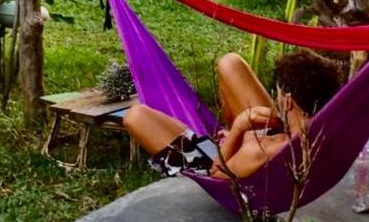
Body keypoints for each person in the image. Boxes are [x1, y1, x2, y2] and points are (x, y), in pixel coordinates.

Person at [123, 49, 342, 180]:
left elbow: (216, 175)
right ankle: (227, 134)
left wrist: (238, 128)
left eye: (278, 94)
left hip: (213, 166)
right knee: (230, 63)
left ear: (287, 100)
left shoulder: (262, 151)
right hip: (276, 135)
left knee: (135, 115)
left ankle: (226, 134)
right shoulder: (327, 131)